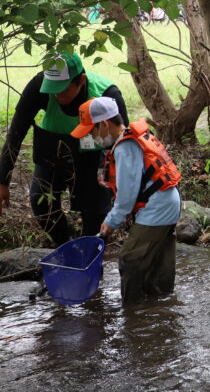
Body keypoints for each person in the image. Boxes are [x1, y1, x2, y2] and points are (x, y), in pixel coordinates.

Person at [0, 53, 128, 246]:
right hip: (53, 148)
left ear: (81, 80)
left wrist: (108, 173)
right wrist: (1, 182)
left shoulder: (107, 94)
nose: (57, 95)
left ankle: (89, 256)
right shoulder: (39, 86)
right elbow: (16, 133)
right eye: (52, 90)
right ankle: (65, 246)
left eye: (62, 90)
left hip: (94, 155)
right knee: (40, 200)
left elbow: (122, 142)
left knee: (95, 211)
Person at [71, 97, 182, 305]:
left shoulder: (125, 147)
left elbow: (126, 199)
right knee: (157, 267)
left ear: (104, 124)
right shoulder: (132, 138)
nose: (91, 137)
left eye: (91, 131)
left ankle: (132, 314)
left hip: (157, 209)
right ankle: (161, 310)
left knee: (130, 260)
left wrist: (110, 223)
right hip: (168, 203)